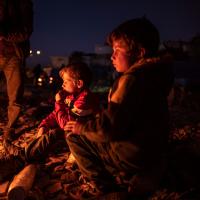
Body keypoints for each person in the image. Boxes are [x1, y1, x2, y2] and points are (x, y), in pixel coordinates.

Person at [65, 17, 174, 199]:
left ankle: (107, 187)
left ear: (139, 52)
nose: (112, 56)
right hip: (154, 148)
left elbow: (109, 130)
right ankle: (144, 172)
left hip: (132, 153)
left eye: (117, 50)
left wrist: (81, 127)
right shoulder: (158, 74)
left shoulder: (131, 80)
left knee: (73, 137)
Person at [24, 62, 100, 162]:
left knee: (53, 134)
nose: (62, 84)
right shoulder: (71, 95)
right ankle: (31, 152)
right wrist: (44, 126)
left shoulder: (85, 100)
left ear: (79, 83)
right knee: (44, 132)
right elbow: (56, 114)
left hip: (83, 140)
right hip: (72, 135)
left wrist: (59, 102)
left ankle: (23, 156)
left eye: (66, 81)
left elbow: (65, 125)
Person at [0, 0, 33, 141]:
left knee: (15, 95)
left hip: (13, 54)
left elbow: (25, 32)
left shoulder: (23, 3)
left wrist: (3, 34)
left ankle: (10, 128)